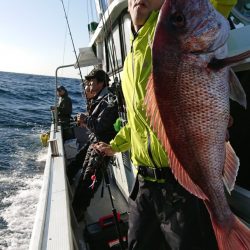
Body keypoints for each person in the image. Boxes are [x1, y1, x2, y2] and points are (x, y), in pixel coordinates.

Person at [94, 1, 237, 249]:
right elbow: (139, 120)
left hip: (181, 181)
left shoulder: (173, 31)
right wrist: (115, 146)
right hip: (144, 184)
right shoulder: (130, 60)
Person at [71, 69, 119, 222]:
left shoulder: (109, 99)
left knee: (89, 182)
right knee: (84, 177)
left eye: (92, 81)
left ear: (101, 83)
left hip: (102, 147)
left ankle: (78, 211)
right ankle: (75, 208)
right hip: (95, 143)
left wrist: (85, 119)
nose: (89, 84)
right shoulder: (100, 98)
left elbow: (100, 126)